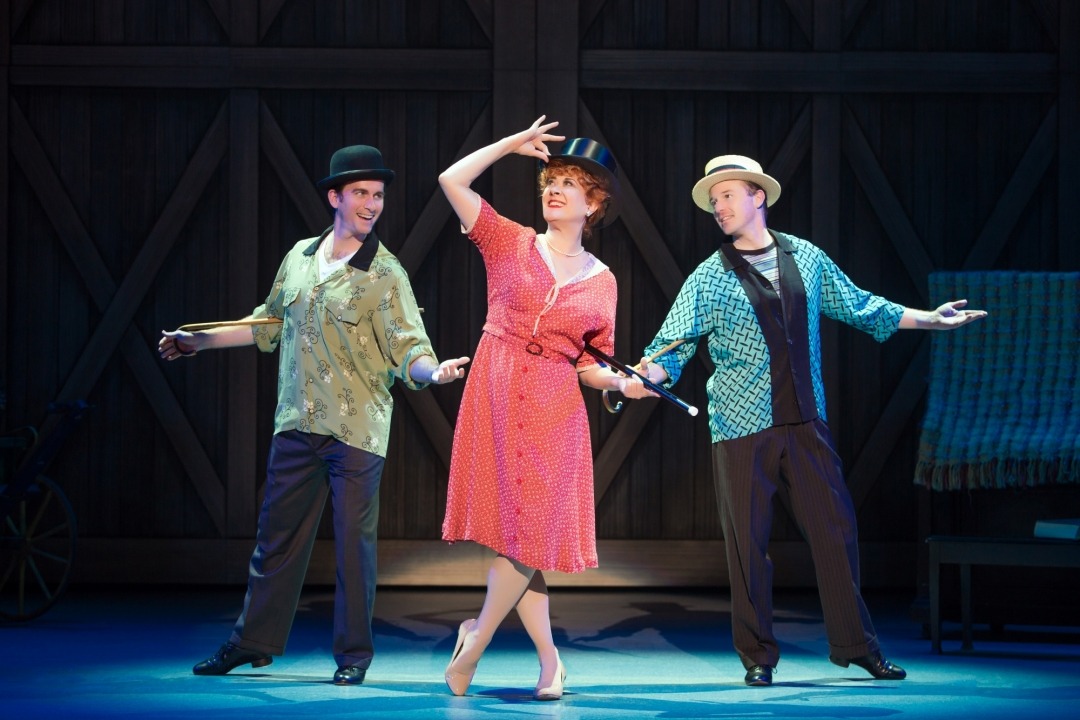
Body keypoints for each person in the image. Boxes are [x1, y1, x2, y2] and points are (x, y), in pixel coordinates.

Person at [633, 154, 988, 687]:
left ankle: (857, 647)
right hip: (741, 427)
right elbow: (671, 346)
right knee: (748, 545)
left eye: (727, 195)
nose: (719, 207)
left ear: (758, 197)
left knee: (835, 533)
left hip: (805, 421)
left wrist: (929, 320)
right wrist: (645, 374)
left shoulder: (806, 257)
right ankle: (757, 655)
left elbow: (861, 306)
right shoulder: (707, 277)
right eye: (713, 201)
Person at [158, 145, 469, 685]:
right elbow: (267, 323)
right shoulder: (300, 257)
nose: (371, 204)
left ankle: (353, 656)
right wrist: (198, 342)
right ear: (335, 197)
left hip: (356, 430)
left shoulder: (385, 273)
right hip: (297, 421)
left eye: (378, 195)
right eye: (361, 193)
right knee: (275, 541)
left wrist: (433, 371)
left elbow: (408, 348)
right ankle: (252, 643)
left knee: (353, 548)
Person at [437, 117, 645, 700]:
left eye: (570, 184)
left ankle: (476, 639)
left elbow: (592, 364)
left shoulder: (603, 281)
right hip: (497, 388)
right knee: (516, 537)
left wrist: (623, 383)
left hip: (556, 405)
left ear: (594, 204)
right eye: (551, 181)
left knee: (529, 534)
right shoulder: (510, 241)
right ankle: (550, 661)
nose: (554, 190)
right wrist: (509, 145)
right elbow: (451, 180)